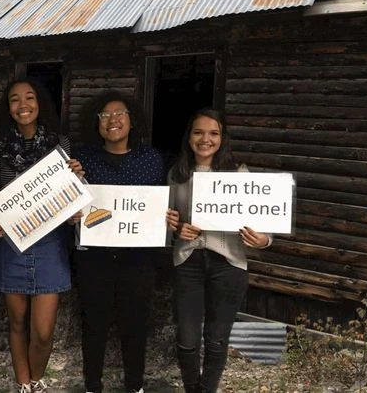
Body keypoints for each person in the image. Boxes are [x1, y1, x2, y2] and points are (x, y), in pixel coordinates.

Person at [0, 78, 83, 393]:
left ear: (40, 103)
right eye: (15, 99)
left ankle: (37, 379)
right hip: (10, 244)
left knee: (42, 330)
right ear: (8, 107)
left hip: (49, 245)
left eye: (29, 97)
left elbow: (68, 194)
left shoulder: (60, 145)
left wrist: (77, 180)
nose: (22, 105)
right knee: (16, 322)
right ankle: (23, 385)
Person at [166, 108, 272, 393]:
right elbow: (167, 221)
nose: (205, 139)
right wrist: (176, 229)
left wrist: (264, 240)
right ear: (189, 138)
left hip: (228, 264)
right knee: (187, 338)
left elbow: (263, 221)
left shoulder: (239, 174)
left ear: (222, 139)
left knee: (216, 337)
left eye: (213, 133)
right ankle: (192, 388)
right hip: (187, 261)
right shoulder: (177, 175)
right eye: (198, 132)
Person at [72, 91, 167, 393]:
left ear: (132, 119)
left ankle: (135, 386)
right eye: (105, 115)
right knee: (94, 325)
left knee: (136, 324)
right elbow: (69, 201)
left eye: (119, 113)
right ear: (96, 122)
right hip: (94, 256)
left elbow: (160, 205)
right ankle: (92, 386)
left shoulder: (152, 160)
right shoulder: (81, 159)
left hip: (138, 258)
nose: (112, 120)